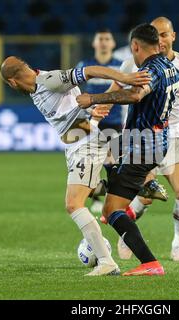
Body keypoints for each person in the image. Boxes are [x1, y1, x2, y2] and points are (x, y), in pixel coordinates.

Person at [0, 56, 151, 276]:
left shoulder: (49, 80)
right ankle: (132, 188)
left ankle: (106, 261)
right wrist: (90, 113)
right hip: (75, 148)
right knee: (88, 196)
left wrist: (124, 77)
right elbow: (71, 105)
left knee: (73, 203)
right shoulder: (37, 89)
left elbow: (89, 71)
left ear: (12, 82)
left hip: (86, 146)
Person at [76, 24, 179, 276]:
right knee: (107, 151)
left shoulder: (150, 70)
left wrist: (93, 98)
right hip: (154, 142)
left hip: (142, 145)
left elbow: (135, 96)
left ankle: (150, 263)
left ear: (135, 46)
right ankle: (141, 184)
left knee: (111, 210)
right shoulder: (170, 66)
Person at [109, 17, 179, 262]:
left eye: (165, 35)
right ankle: (126, 234)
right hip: (142, 135)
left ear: (173, 36)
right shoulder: (132, 64)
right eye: (156, 36)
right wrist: (98, 109)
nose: (161, 41)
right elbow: (114, 91)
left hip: (173, 134)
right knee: (145, 195)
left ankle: (178, 243)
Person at [75, 29, 125, 214]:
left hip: (114, 121)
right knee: (90, 161)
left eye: (107, 39)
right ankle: (96, 196)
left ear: (112, 44)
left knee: (113, 162)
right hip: (92, 120)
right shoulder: (85, 66)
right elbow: (77, 93)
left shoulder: (120, 66)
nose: (103, 42)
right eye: (100, 39)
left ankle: (110, 197)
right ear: (94, 43)